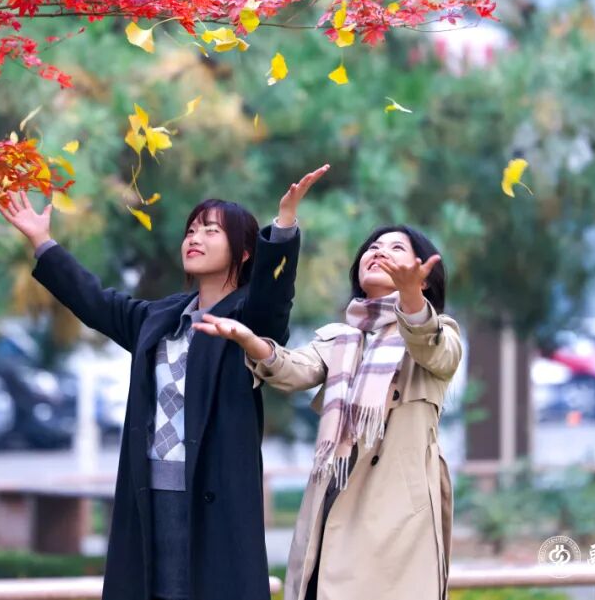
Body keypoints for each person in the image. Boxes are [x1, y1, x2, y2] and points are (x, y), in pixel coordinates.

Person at [0, 164, 328, 600]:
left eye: (210, 230)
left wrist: (283, 225)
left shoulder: (248, 318)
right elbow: (94, 301)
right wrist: (43, 242)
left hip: (213, 499)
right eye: (191, 230)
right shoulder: (160, 317)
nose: (194, 238)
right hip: (149, 494)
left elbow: (273, 298)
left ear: (245, 252)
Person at [193, 224, 461, 600]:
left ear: (424, 276)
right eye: (373, 247)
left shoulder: (437, 333)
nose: (379, 252)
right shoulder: (342, 338)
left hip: (399, 520)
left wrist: (411, 298)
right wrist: (249, 340)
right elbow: (293, 370)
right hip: (334, 505)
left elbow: (433, 348)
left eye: (396, 248)